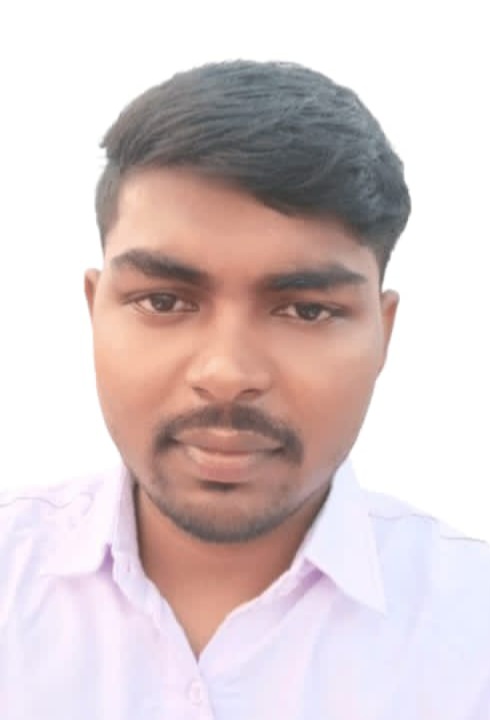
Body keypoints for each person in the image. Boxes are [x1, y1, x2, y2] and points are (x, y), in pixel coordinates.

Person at [1, 60, 489, 719]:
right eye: (164, 301)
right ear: (95, 310)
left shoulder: (471, 629)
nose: (226, 372)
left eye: (307, 311)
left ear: (384, 332)